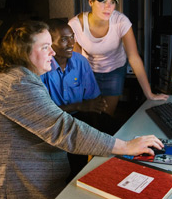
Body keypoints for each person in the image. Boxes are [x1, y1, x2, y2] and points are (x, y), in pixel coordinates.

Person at [0, 20, 164, 199]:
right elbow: (64, 129)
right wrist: (125, 147)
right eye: (45, 47)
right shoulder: (18, 84)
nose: (52, 53)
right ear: (22, 52)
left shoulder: (16, 76)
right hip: (10, 187)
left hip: (25, 171)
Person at [68, 0, 169, 116]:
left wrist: (149, 94)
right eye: (103, 1)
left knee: (107, 114)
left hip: (114, 69)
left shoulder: (121, 21)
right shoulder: (76, 25)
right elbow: (76, 61)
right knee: (91, 113)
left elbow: (134, 57)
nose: (108, 7)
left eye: (112, 2)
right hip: (89, 71)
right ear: (90, 2)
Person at [40, 19, 121, 182]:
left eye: (72, 37)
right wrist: (81, 105)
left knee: (116, 130)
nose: (71, 43)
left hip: (80, 115)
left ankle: (113, 174)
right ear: (49, 44)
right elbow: (44, 114)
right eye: (64, 39)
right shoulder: (42, 68)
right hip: (53, 123)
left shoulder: (80, 62)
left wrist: (96, 108)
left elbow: (93, 99)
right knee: (74, 158)